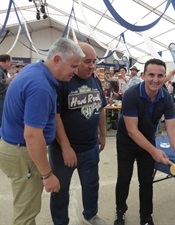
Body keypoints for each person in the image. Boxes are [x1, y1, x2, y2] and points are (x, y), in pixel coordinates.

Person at [0, 37, 85, 225]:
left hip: (15, 147)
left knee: (25, 205)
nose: (75, 71)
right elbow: (31, 136)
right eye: (73, 66)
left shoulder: (37, 71)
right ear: (56, 60)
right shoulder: (40, 86)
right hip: (21, 152)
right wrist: (47, 175)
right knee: (26, 212)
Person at [114, 59, 175, 225]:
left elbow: (172, 129)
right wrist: (154, 151)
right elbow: (132, 131)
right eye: (151, 74)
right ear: (144, 75)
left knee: (146, 181)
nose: (155, 79)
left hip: (148, 142)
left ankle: (146, 217)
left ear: (164, 77)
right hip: (126, 143)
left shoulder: (165, 97)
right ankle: (120, 211)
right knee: (124, 178)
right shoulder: (131, 95)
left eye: (160, 75)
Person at [48, 42, 107, 225]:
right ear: (75, 61)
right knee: (60, 190)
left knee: (91, 185)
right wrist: (66, 147)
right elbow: (55, 117)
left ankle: (90, 215)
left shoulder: (95, 79)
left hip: (90, 147)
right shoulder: (64, 80)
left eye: (94, 61)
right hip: (63, 151)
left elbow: (101, 108)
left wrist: (103, 135)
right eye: (86, 61)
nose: (91, 66)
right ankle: (60, 222)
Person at [0, 54, 14, 129]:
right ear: (7, 61)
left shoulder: (3, 70)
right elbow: (1, 83)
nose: (10, 65)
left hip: (2, 97)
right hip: (1, 98)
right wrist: (12, 77)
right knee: (1, 120)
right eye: (10, 62)